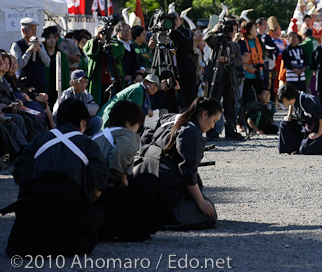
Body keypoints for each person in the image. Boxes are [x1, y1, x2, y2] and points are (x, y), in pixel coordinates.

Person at [6, 99, 109, 256]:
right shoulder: (89, 145)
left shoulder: (40, 139)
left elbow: (19, 175)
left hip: (34, 221)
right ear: (83, 121)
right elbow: (97, 190)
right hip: (72, 224)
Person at [134, 97, 221, 230]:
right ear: (204, 114)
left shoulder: (171, 118)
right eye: (214, 121)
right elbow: (188, 172)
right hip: (166, 182)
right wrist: (201, 202)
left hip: (145, 173)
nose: (213, 126)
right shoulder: (191, 132)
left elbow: (147, 134)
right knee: (209, 214)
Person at [94, 100, 170, 241]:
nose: (137, 130)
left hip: (95, 193)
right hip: (111, 190)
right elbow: (118, 155)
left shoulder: (97, 135)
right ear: (129, 123)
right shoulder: (128, 135)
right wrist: (122, 176)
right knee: (148, 180)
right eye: (137, 126)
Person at [203, 19, 246, 140]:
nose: (232, 33)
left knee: (230, 105)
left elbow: (239, 61)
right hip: (216, 77)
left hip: (230, 77)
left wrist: (228, 60)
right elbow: (206, 39)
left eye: (234, 30)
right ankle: (211, 132)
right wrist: (213, 31)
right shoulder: (217, 41)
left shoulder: (235, 45)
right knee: (213, 103)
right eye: (230, 29)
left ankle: (230, 131)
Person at [277, 83, 322, 155]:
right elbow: (292, 104)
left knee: (305, 149)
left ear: (290, 97)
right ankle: (292, 148)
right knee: (285, 124)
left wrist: (318, 133)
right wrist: (289, 115)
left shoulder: (306, 102)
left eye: (284, 101)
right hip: (309, 126)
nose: (284, 104)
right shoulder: (295, 97)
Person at [84, 24, 125, 105]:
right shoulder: (93, 42)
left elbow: (119, 52)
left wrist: (107, 43)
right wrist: (96, 38)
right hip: (97, 80)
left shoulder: (116, 44)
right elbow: (89, 50)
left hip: (113, 81)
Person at [53, 70, 102, 136]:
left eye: (85, 82)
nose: (83, 84)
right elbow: (56, 113)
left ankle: (90, 139)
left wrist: (79, 108)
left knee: (98, 120)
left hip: (82, 124)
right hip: (69, 125)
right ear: (73, 82)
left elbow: (95, 108)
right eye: (80, 81)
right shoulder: (66, 94)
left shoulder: (86, 94)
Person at [10, 18, 50, 93]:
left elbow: (47, 61)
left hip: (40, 83)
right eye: (31, 29)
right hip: (26, 85)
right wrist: (29, 51)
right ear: (23, 31)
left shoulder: (39, 44)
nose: (34, 31)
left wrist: (39, 49)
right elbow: (18, 64)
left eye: (35, 29)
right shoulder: (17, 45)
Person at [169, 12, 198, 107]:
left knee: (189, 98)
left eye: (176, 19)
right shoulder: (165, 33)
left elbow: (188, 44)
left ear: (180, 20)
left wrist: (175, 31)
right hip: (171, 69)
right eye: (171, 19)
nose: (174, 21)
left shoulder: (186, 31)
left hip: (186, 70)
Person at [42, 26, 70, 109]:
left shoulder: (61, 55)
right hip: (46, 87)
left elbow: (66, 73)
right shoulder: (42, 56)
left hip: (59, 87)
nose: (52, 40)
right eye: (49, 38)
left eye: (53, 38)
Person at [240, 19, 264, 105]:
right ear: (248, 30)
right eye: (254, 28)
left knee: (260, 96)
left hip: (258, 73)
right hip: (247, 74)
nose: (256, 30)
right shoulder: (241, 42)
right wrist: (247, 66)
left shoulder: (257, 40)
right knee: (246, 98)